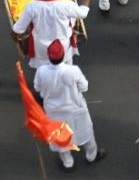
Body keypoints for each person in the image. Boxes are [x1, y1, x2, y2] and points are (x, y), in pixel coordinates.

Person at [34, 39, 105, 172]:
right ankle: (92, 156)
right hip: (75, 109)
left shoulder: (41, 71)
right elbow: (84, 87)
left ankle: (68, 163)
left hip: (54, 111)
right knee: (86, 133)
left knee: (60, 138)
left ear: (49, 56)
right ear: (63, 55)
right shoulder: (73, 70)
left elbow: (37, 88)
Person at [12, 0, 91, 68]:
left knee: (44, 75)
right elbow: (83, 13)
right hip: (64, 48)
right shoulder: (66, 4)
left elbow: (17, 30)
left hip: (41, 50)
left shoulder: (32, 6)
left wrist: (19, 43)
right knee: (66, 71)